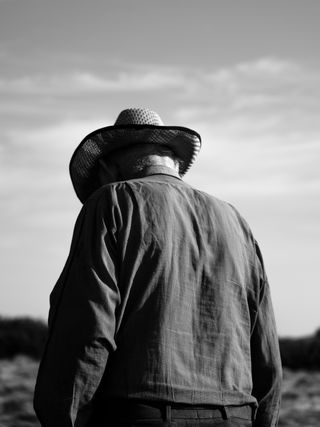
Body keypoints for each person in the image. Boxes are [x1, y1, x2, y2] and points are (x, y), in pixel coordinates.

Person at [34, 108, 282, 427]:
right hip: (236, 416)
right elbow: (264, 347)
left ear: (109, 169)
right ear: (174, 163)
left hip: (141, 415)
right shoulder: (235, 220)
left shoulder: (111, 201)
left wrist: (59, 418)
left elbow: (85, 327)